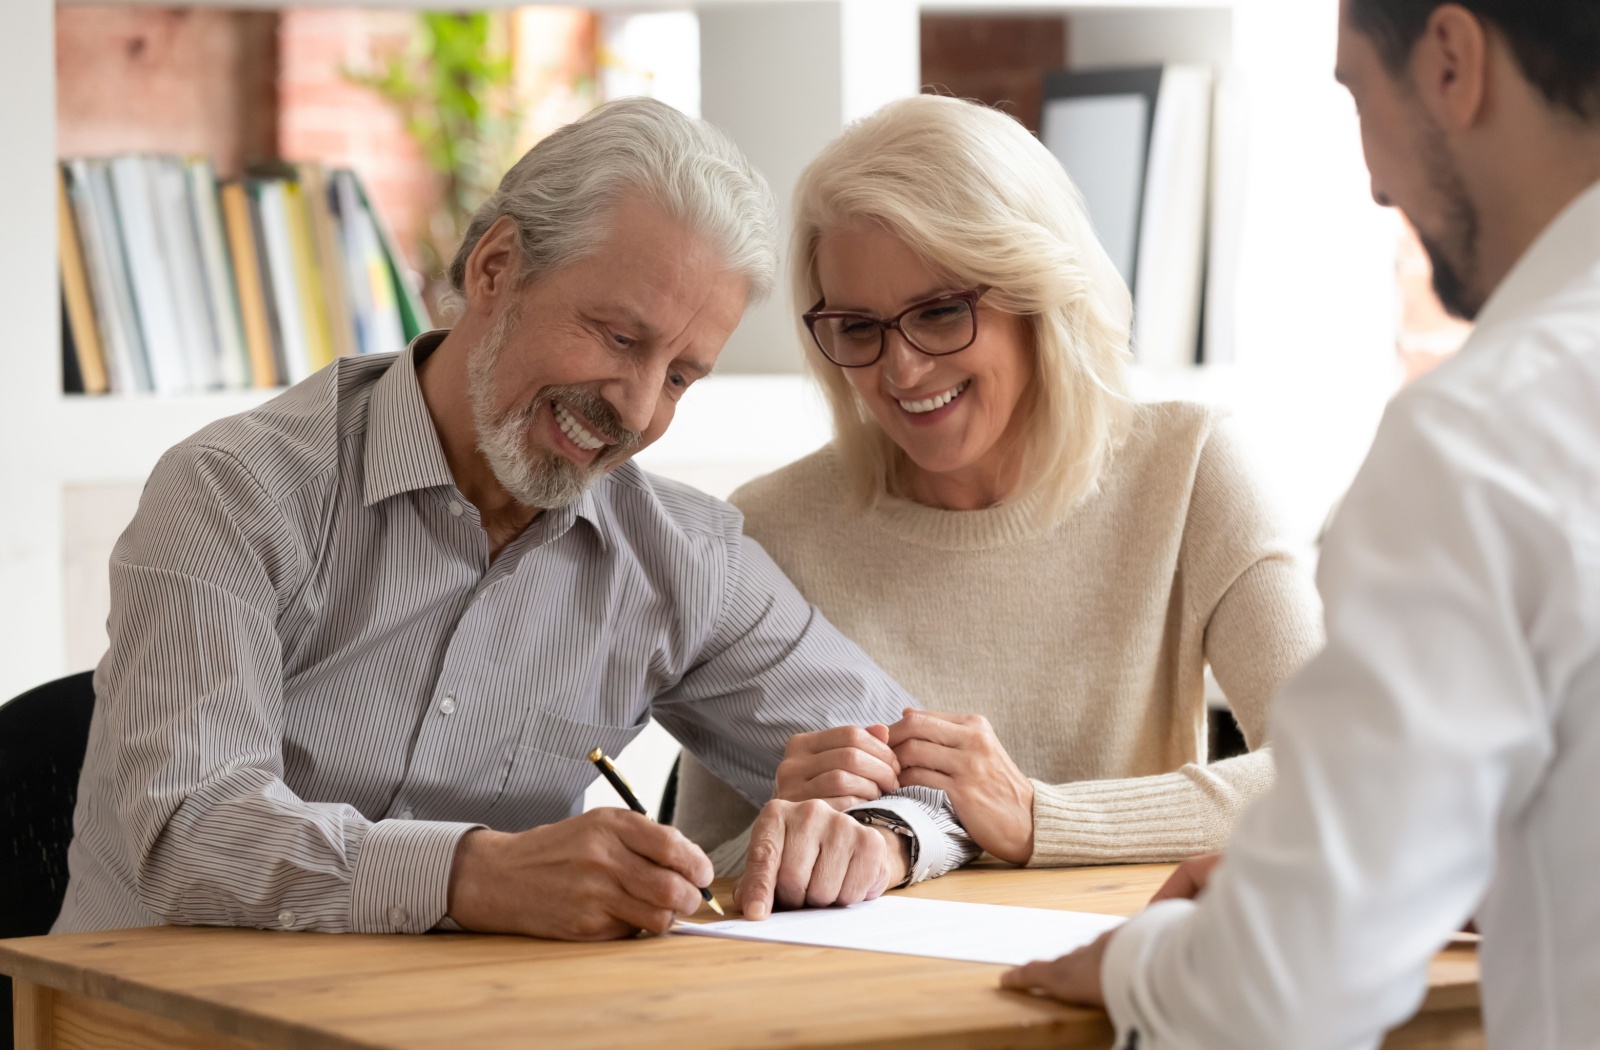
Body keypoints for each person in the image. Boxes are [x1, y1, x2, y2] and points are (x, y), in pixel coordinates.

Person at [53, 97, 979, 941]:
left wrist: (881, 836)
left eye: (683, 375)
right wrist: (472, 874)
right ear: (496, 267)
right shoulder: (232, 492)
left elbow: (928, 773)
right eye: (620, 337)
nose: (637, 405)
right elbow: (187, 831)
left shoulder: (682, 559)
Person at [1002, 1, 1600, 1047]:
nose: (1374, 182)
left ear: (1452, 63)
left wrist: (1147, 961)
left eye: (1358, 96)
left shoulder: (1481, 442)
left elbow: (1288, 992)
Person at [673, 94, 1323, 871]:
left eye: (942, 312)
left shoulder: (1190, 469)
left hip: (1115, 969)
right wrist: (783, 830)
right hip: (865, 984)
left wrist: (1041, 818)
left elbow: (1338, 768)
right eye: (858, 328)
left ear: (1038, 297)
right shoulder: (771, 529)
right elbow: (703, 875)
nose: (902, 369)